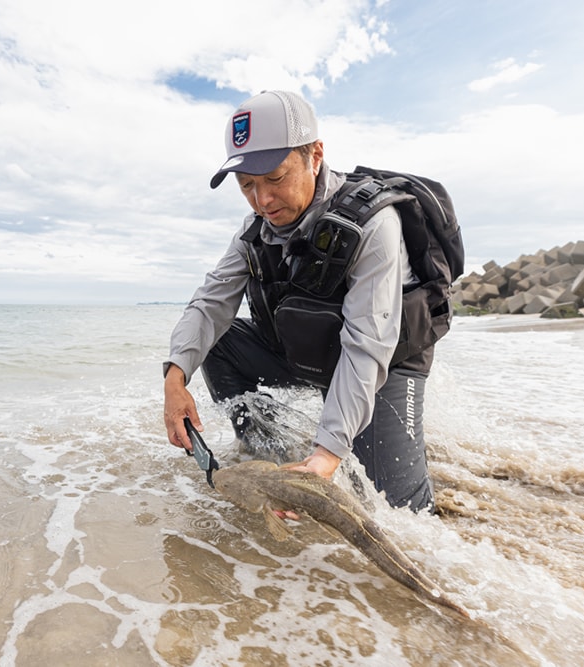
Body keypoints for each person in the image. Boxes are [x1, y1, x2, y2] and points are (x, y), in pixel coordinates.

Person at [163, 90, 436, 514]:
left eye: (275, 178)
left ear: (315, 155)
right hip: (310, 353)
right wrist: (175, 377)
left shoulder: (375, 224)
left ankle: (335, 449)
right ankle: (268, 455)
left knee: (400, 515)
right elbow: (210, 302)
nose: (262, 200)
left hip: (385, 364)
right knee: (216, 339)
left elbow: (368, 345)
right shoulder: (254, 228)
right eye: (247, 185)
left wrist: (327, 455)